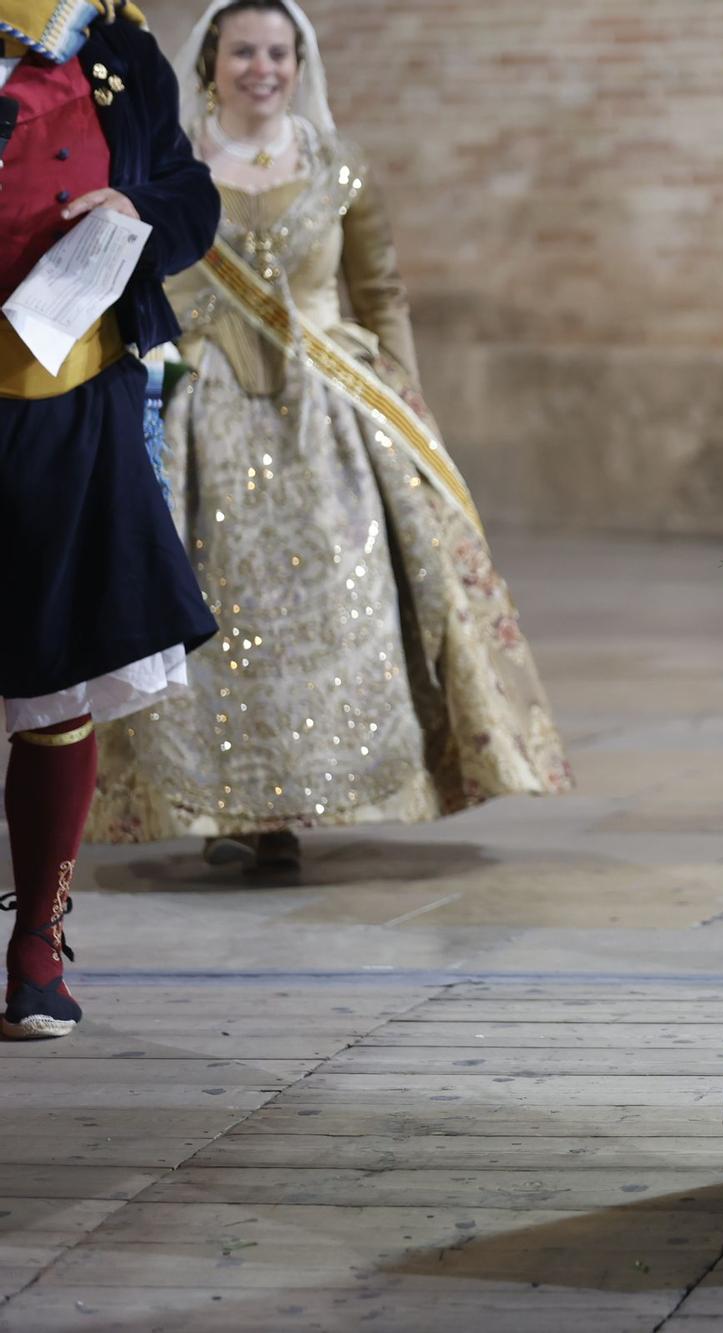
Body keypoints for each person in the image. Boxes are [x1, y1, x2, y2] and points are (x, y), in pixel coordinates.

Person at [88, 0, 571, 863]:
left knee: (350, 610)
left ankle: (324, 793)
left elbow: (379, 292)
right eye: (244, 52)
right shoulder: (172, 166)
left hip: (333, 414)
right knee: (219, 614)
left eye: (279, 52)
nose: (262, 68)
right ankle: (236, 814)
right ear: (210, 64)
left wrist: (407, 399)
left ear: (299, 66)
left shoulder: (342, 168)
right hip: (208, 412)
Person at [1, 0, 220, 1038]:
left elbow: (189, 192)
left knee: (59, 669)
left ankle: (36, 944)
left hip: (69, 392)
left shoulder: (118, 50)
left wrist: (135, 209)